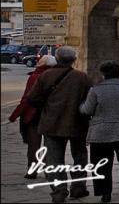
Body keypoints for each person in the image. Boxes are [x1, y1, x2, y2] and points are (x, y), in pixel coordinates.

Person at [27, 45, 93, 204]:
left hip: (52, 123)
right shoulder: (82, 77)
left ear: (57, 59)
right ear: (74, 60)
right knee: (80, 156)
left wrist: (46, 106)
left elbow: (32, 99)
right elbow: (90, 100)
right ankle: (78, 188)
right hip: (77, 123)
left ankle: (59, 191)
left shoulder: (46, 76)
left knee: (54, 159)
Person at [80, 60, 119, 204]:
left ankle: (105, 192)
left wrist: (80, 105)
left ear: (103, 74)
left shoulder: (96, 90)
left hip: (101, 132)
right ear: (118, 73)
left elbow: (87, 110)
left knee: (101, 162)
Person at [9, 54, 58, 179]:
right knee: (50, 145)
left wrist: (15, 115)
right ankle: (49, 170)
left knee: (34, 145)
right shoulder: (59, 76)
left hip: (34, 115)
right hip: (51, 115)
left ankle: (32, 170)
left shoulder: (35, 77)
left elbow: (27, 98)